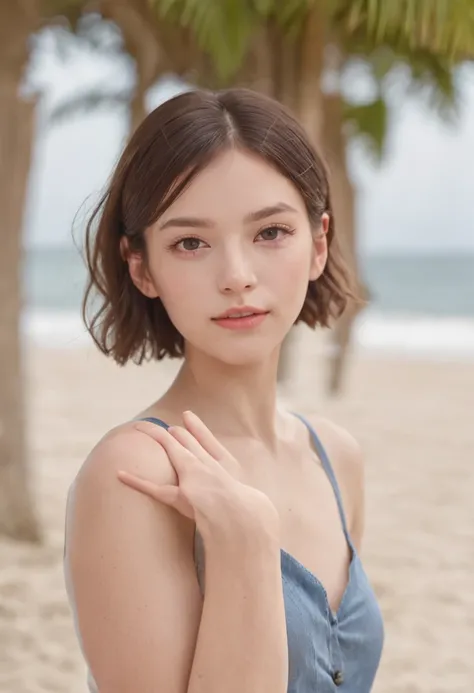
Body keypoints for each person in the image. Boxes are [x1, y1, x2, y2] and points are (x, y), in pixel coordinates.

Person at [64, 87, 384, 693]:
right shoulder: (134, 474)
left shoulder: (335, 456)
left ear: (318, 243)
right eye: (191, 243)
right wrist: (247, 548)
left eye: (270, 232)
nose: (236, 276)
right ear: (143, 268)